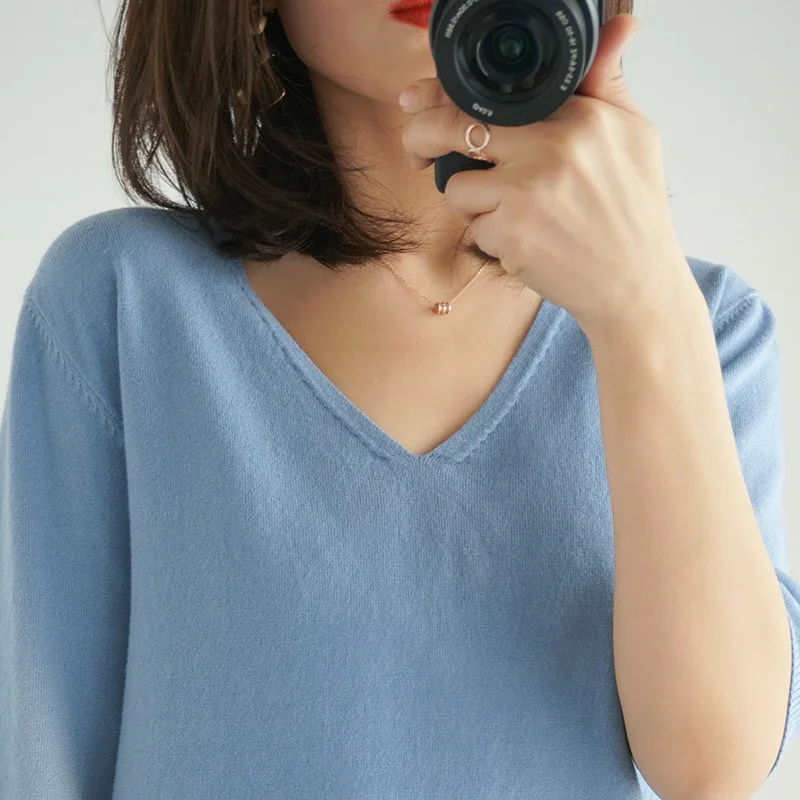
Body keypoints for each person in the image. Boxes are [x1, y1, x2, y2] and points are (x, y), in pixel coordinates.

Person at [2, 1, 799, 798]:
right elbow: (38, 753)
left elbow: (711, 769)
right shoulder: (123, 303)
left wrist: (645, 315)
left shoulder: (701, 328)